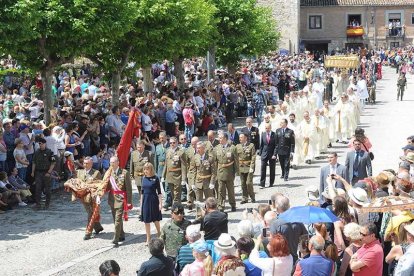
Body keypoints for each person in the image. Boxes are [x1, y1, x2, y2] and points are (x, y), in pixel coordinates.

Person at [270, 194, 307, 263]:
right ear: (289, 206)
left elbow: (270, 241)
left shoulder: (274, 223)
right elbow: (305, 237)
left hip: (281, 260)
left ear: (276, 207)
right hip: (294, 258)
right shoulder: (298, 221)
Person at [106, 156, 132, 246]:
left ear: (118, 162)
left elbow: (129, 188)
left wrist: (129, 201)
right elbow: (105, 185)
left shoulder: (125, 173)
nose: (111, 164)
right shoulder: (108, 173)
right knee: (115, 219)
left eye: (113, 162)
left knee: (117, 219)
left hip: (121, 199)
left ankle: (116, 238)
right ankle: (121, 234)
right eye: (110, 163)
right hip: (112, 199)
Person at [76, 156, 103, 240]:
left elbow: (100, 185)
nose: (85, 165)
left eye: (87, 163)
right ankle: (98, 227)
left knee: (91, 213)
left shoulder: (96, 173)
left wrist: (98, 195)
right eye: (84, 163)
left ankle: (88, 232)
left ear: (91, 164)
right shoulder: (79, 172)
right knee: (91, 212)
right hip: (83, 197)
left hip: (93, 197)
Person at [213, 132, 238, 212]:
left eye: (220, 138)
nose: (219, 139)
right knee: (221, 191)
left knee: (230, 190)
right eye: (219, 138)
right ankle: (221, 206)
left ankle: (233, 205)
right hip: (220, 172)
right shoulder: (216, 148)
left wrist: (237, 172)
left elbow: (236, 161)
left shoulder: (232, 148)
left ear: (225, 139)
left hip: (229, 172)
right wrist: (215, 173)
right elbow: (215, 162)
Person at [140, 162, 162, 245]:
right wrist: (141, 204)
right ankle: (148, 238)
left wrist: (160, 203)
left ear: (151, 169)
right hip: (145, 199)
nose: (146, 171)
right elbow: (142, 192)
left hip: (153, 199)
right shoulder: (143, 178)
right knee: (146, 220)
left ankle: (159, 233)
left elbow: (159, 192)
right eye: (145, 169)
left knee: (156, 219)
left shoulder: (156, 178)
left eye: (147, 169)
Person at [31, 138, 56, 210]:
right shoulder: (37, 152)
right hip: (38, 172)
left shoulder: (49, 152)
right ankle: (37, 204)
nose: (40, 145)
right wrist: (32, 171)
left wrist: (49, 172)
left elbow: (53, 163)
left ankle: (47, 204)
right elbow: (34, 162)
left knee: (47, 189)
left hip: (46, 172)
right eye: (39, 144)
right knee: (38, 189)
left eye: (41, 143)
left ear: (45, 144)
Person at [162, 136, 187, 205]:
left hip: (177, 176)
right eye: (170, 143)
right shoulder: (168, 151)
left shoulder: (181, 152)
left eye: (173, 143)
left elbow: (184, 166)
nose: (172, 144)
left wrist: (183, 179)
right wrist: (163, 176)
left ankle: (177, 211)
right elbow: (166, 165)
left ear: (177, 143)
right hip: (169, 176)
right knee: (173, 194)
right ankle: (176, 208)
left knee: (177, 195)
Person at [189, 141, 215, 206]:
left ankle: (210, 214)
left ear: (204, 148)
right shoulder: (195, 157)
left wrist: (212, 182)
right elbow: (192, 171)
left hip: (207, 182)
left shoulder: (210, 158)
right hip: (198, 182)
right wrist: (192, 183)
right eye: (197, 148)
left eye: (199, 148)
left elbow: (214, 172)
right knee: (198, 202)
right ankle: (199, 215)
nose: (197, 149)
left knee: (210, 201)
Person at [236, 133, 256, 204]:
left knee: (248, 183)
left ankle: (252, 196)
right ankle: (244, 198)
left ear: (245, 138)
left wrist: (252, 167)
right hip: (241, 167)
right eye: (239, 138)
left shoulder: (251, 145)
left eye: (241, 137)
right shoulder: (237, 146)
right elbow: (236, 157)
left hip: (248, 167)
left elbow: (253, 157)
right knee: (243, 183)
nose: (240, 139)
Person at [259, 123, 277, 188]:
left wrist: (275, 154)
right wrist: (260, 154)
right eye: (266, 128)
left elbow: (276, 146)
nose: (267, 129)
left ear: (270, 127)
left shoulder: (274, 134)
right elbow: (261, 145)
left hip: (272, 155)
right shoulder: (263, 134)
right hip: (264, 154)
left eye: (268, 128)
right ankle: (262, 184)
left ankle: (271, 183)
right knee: (263, 169)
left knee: (272, 169)